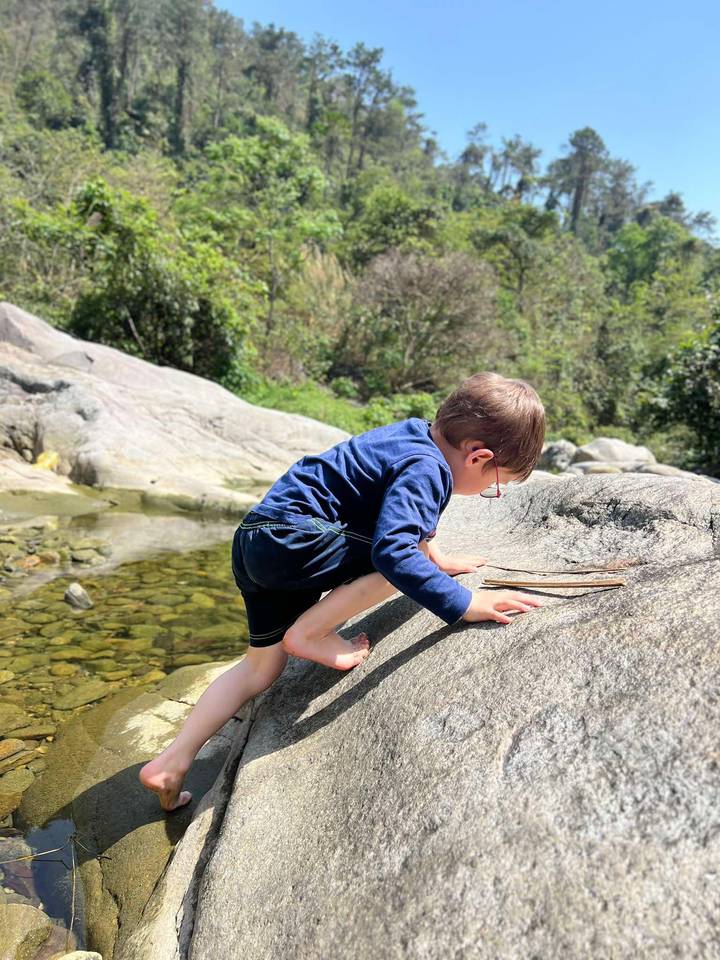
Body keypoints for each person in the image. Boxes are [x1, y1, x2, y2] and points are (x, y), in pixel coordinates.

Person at [139, 371, 545, 811]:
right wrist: (464, 602)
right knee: (399, 565)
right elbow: (394, 549)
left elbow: (402, 514)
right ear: (477, 456)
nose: (489, 491)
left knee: (259, 670)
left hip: (259, 539)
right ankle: (310, 634)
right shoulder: (428, 468)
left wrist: (437, 555)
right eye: (495, 484)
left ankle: (172, 761)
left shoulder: (412, 435)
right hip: (297, 541)